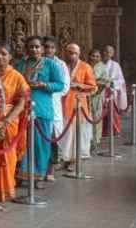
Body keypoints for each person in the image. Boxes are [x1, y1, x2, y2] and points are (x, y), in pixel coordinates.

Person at [0, 40, 29, 211]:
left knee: (5, 160)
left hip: (8, 123)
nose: (0, 57)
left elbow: (21, 102)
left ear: (10, 57)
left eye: (4, 54)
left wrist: (6, 121)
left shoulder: (16, 76)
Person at [15, 37, 66, 184]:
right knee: (22, 142)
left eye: (37, 47)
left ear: (42, 49)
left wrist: (45, 85)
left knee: (41, 145)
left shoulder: (51, 64)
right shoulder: (20, 65)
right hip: (22, 108)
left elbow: (60, 85)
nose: (34, 49)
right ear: (26, 48)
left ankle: (39, 175)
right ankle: (21, 174)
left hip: (42, 110)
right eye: (31, 47)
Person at [59, 43, 97, 172]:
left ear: (79, 54)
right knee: (64, 134)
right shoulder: (62, 66)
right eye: (70, 53)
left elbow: (93, 87)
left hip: (78, 104)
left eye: (75, 53)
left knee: (76, 134)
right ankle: (65, 159)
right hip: (62, 103)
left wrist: (79, 85)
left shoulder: (85, 67)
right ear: (65, 53)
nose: (72, 55)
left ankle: (74, 161)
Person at [42, 37, 69, 180]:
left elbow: (64, 87)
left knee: (52, 139)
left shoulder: (60, 64)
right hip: (38, 105)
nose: (49, 50)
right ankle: (37, 170)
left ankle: (50, 171)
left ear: (56, 49)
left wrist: (47, 88)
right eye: (46, 47)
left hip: (53, 103)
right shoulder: (36, 62)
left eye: (52, 47)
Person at [100, 45, 127, 137]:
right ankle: (102, 131)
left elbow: (120, 80)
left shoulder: (116, 65)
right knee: (100, 111)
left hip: (111, 92)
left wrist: (111, 83)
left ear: (112, 54)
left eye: (109, 52)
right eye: (105, 51)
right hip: (100, 91)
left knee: (112, 112)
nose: (106, 53)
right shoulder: (99, 64)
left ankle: (114, 130)